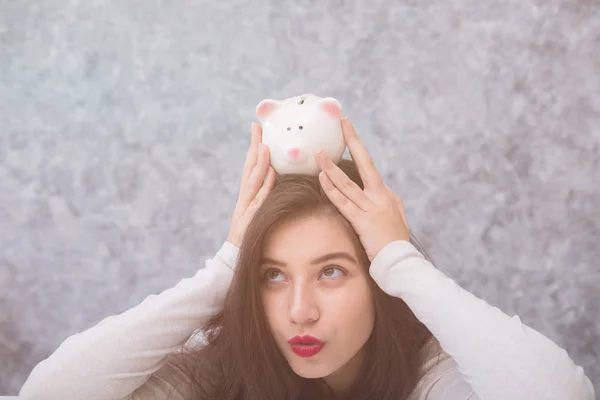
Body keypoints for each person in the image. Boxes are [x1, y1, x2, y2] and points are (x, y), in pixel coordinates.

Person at [19, 119, 595, 400]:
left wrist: (402, 261)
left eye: (331, 272)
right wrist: (222, 274)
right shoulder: (219, 374)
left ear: (376, 280)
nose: (299, 311)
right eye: (272, 276)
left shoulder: (428, 376)